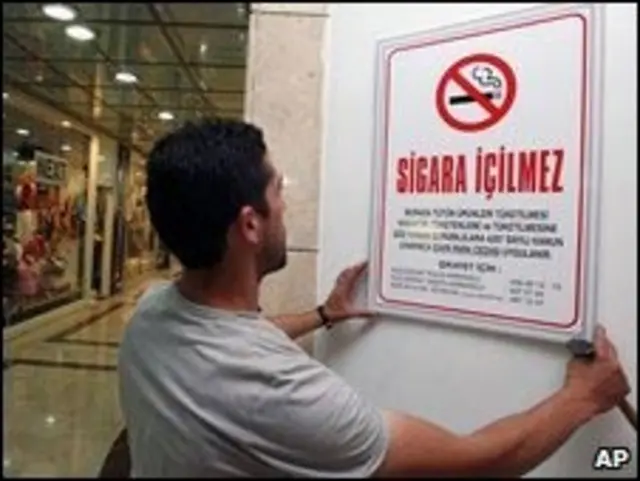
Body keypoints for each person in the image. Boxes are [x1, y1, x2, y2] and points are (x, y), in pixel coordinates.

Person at [115, 118, 630, 478]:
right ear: (250, 224)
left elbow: (234, 340)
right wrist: (581, 398)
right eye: (277, 191)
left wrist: (324, 314)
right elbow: (478, 463)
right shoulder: (286, 396)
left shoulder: (151, 316)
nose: (286, 206)